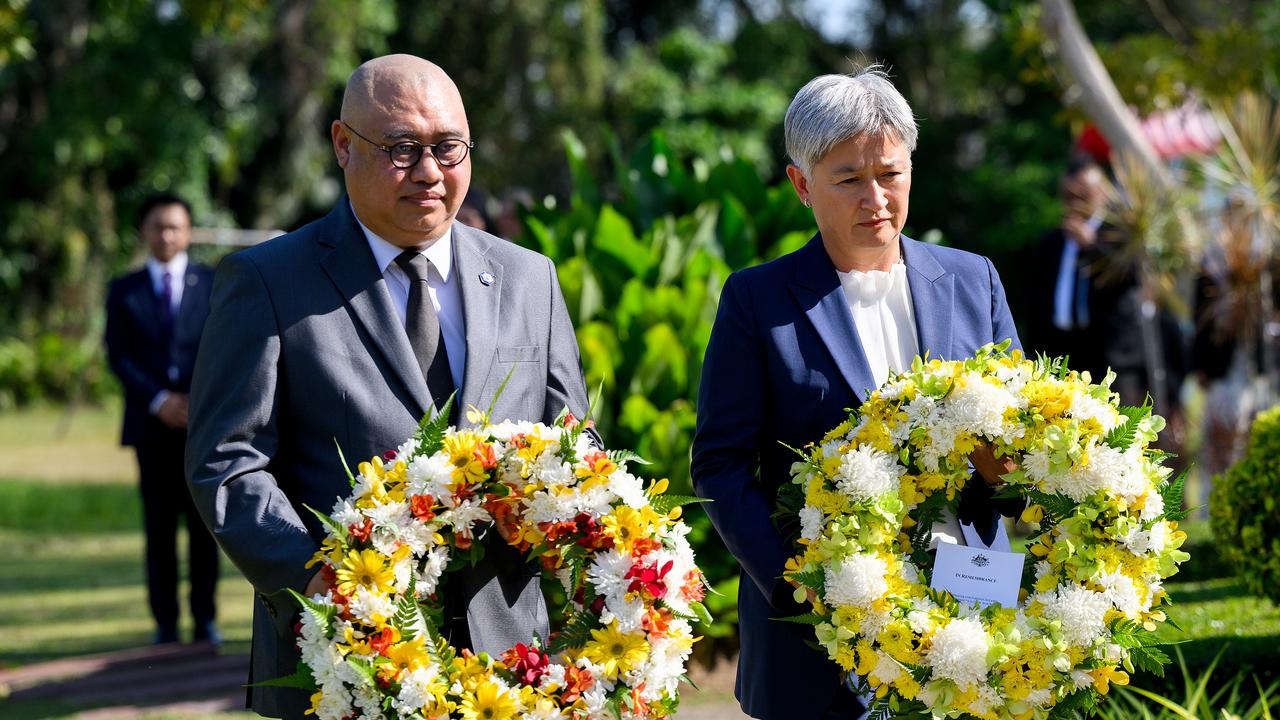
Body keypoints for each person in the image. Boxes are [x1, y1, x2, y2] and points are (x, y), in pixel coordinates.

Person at [185, 54, 592, 718]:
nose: (430, 172)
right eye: (402, 149)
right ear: (343, 146)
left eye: (448, 148)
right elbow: (227, 462)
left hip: (510, 665)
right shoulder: (268, 281)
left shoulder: (529, 278)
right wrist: (322, 580)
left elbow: (575, 443)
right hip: (343, 660)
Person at [691, 67, 1021, 719]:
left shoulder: (972, 280)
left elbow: (1024, 438)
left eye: (890, 174)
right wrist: (798, 581)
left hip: (970, 621)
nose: (876, 198)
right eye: (848, 180)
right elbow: (720, 465)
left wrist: (1006, 468)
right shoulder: (757, 299)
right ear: (801, 185)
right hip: (816, 646)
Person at [104, 192, 220, 646]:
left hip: (201, 425)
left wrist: (196, 399)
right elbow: (119, 355)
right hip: (150, 428)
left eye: (174, 227)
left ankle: (206, 621)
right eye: (158, 226)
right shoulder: (124, 289)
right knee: (159, 530)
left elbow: (224, 347)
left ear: (188, 232)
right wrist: (157, 400)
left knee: (204, 528)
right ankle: (165, 624)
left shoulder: (213, 283)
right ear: (144, 232)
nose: (166, 235)